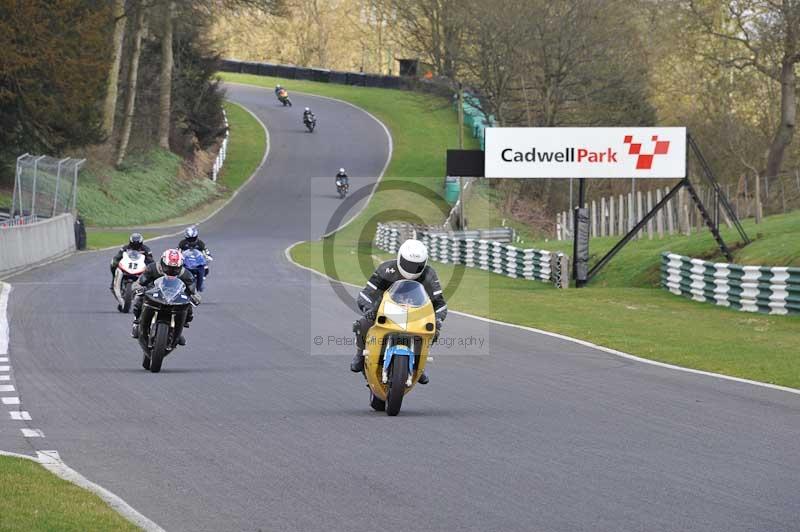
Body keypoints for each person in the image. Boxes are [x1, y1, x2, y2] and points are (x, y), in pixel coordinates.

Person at [350, 239, 447, 384]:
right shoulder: (386, 269)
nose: (412, 269)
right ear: (400, 258)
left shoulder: (429, 274)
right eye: (408, 264)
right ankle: (360, 354)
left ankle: (419, 364)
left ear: (424, 263)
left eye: (416, 266)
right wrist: (369, 309)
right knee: (362, 324)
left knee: (434, 330)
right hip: (384, 311)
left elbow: (439, 303)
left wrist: (438, 319)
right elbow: (366, 293)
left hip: (416, 314)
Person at [131, 249, 200, 344]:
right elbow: (138, 283)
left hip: (174, 298)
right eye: (168, 267)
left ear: (180, 266)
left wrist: (195, 297)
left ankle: (178, 332)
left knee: (189, 307)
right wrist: (138, 289)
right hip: (153, 294)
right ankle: (136, 322)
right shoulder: (152, 268)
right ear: (162, 264)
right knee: (138, 298)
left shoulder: (186, 274)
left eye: (175, 269)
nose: (171, 271)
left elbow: (194, 291)